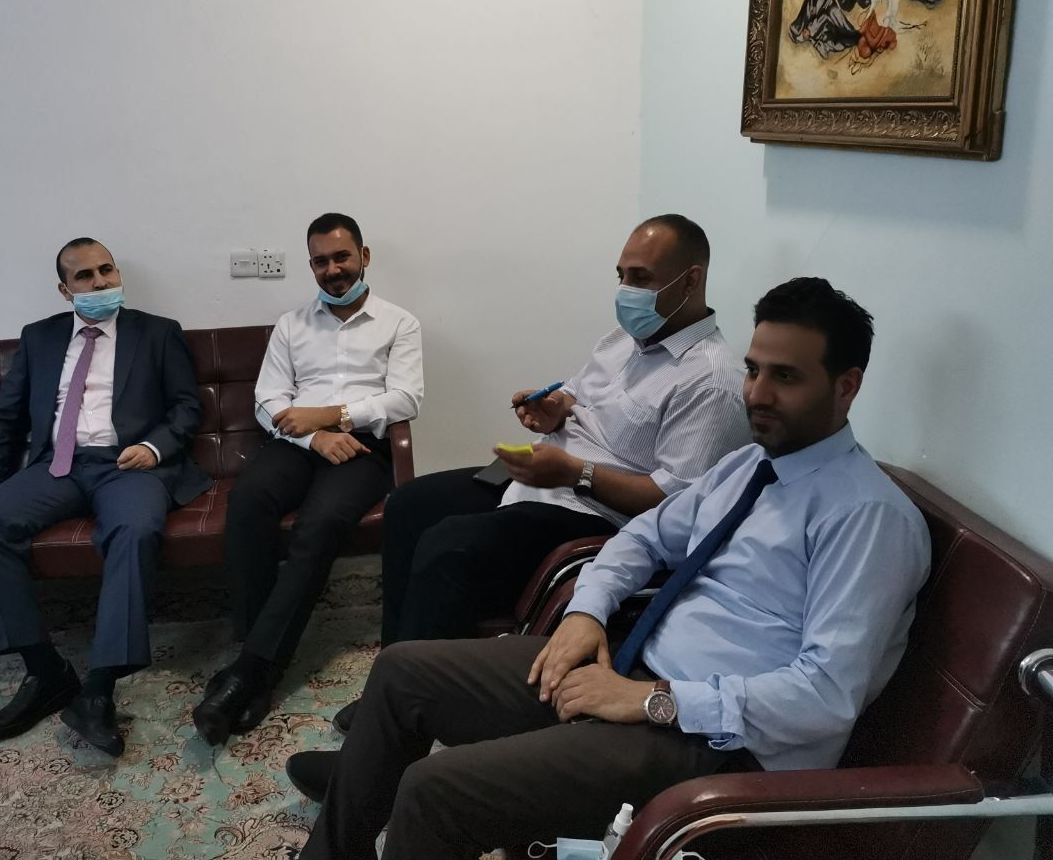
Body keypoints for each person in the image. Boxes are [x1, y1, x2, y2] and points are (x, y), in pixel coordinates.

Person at [291, 277, 931, 860]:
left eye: (785, 377)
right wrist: (585, 613)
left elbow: (824, 697)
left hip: (714, 746)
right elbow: (646, 536)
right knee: (402, 673)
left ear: (846, 386)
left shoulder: (868, 518)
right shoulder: (749, 466)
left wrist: (654, 701)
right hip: (632, 662)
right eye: (753, 370)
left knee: (433, 790)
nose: (758, 395)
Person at [332, 215, 749, 734]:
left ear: (691, 281)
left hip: (599, 513)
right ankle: (389, 682)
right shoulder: (624, 340)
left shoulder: (711, 381)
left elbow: (675, 505)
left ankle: (416, 711)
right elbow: (577, 396)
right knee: (409, 503)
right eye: (621, 275)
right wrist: (553, 409)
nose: (626, 291)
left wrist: (576, 472)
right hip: (550, 477)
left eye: (641, 278)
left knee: (448, 545)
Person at [0, 238, 209, 757]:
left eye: (106, 270)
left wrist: (153, 447)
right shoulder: (39, 337)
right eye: (85, 276)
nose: (100, 282)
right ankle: (45, 671)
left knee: (135, 530)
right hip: (58, 465)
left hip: (127, 464)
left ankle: (98, 689)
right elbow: (6, 418)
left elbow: (187, 406)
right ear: (64, 289)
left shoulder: (158, 332)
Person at [191, 213, 423, 746]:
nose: (332, 269)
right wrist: (315, 436)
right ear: (311, 265)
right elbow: (268, 399)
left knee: (320, 524)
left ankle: (250, 672)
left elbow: (406, 399)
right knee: (248, 500)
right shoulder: (292, 324)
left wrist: (334, 417)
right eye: (320, 261)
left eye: (342, 257)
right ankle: (258, 652)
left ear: (364, 257)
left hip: (361, 448)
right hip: (299, 444)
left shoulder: (400, 323)